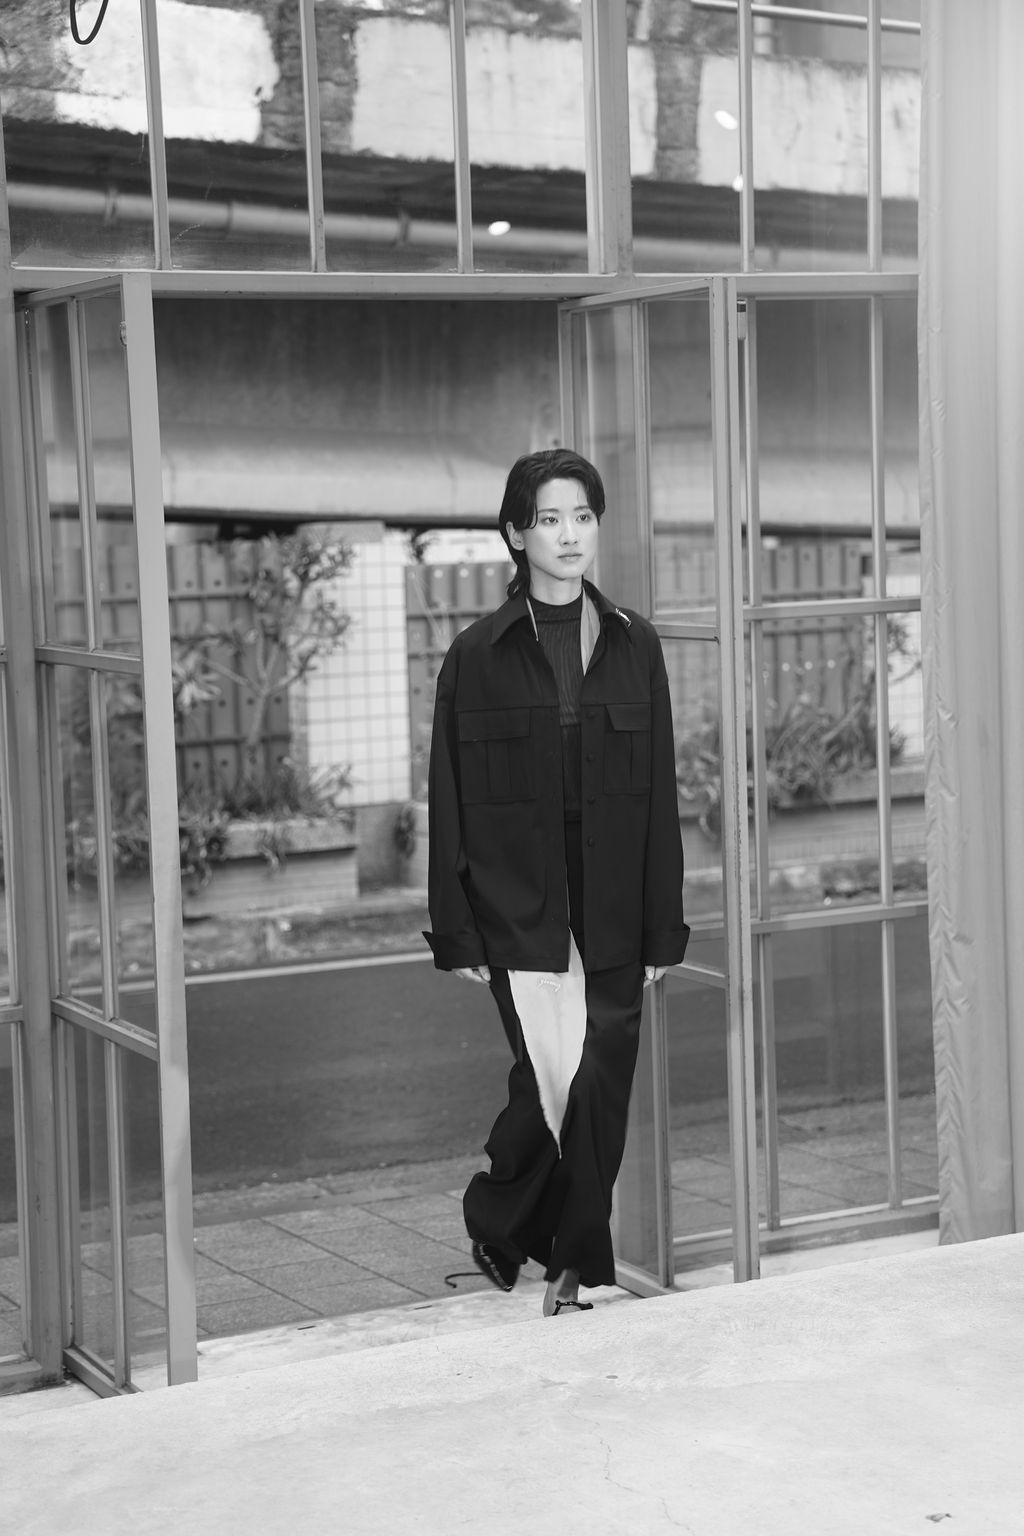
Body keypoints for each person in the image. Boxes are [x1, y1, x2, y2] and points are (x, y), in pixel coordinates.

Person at [424, 447, 689, 1316]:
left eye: (582, 516)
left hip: (613, 898)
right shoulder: (476, 656)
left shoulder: (634, 643)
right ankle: (509, 1222)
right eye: (548, 519)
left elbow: (659, 796)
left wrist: (662, 926)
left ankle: (559, 1258)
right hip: (518, 903)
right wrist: (458, 929)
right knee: (550, 1075)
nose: (569, 534)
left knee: (599, 1074)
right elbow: (449, 801)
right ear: (515, 534)